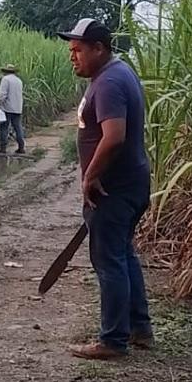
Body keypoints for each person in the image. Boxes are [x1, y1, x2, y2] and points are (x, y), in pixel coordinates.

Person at [56, 18, 153, 360]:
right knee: (123, 255)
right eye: (71, 50)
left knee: (109, 261)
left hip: (114, 189)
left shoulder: (110, 82)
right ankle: (139, 329)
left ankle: (113, 340)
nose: (73, 57)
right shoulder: (114, 73)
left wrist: (90, 177)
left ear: (99, 48)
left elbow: (114, 137)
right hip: (129, 184)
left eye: (78, 50)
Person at [0, 64, 25, 154]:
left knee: (4, 127)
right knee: (18, 127)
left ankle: (3, 148)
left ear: (5, 71)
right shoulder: (19, 80)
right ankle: (21, 147)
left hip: (7, 108)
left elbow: (2, 95)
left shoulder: (5, 79)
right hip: (17, 108)